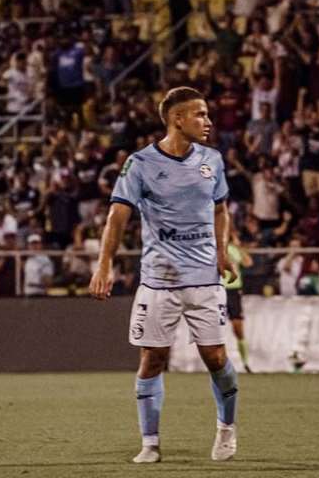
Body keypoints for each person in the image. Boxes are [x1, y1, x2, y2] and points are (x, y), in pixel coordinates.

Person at [89, 87, 240, 464]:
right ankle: (150, 443)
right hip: (159, 279)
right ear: (177, 119)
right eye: (200, 115)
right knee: (153, 359)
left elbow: (221, 209)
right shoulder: (139, 164)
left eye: (207, 115)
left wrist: (222, 251)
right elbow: (117, 216)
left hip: (205, 278)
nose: (208, 122)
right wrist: (104, 264)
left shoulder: (212, 160)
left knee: (215, 357)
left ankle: (226, 429)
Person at [222, 227, 254, 373]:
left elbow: (248, 262)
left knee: (238, 328)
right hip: (218, 289)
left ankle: (245, 362)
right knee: (214, 329)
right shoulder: (215, 248)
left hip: (234, 291)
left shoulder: (234, 249)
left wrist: (238, 245)